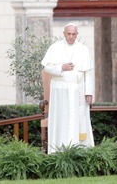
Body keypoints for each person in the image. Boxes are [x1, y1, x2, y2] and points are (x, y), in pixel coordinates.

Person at [41, 23, 94, 154]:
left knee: (79, 121)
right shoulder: (54, 48)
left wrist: (89, 92)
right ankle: (60, 150)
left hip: (79, 92)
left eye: (73, 34)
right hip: (60, 91)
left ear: (77, 35)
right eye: (68, 34)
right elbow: (46, 67)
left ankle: (81, 150)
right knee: (62, 120)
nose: (71, 37)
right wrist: (61, 68)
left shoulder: (83, 49)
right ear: (64, 34)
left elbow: (88, 73)